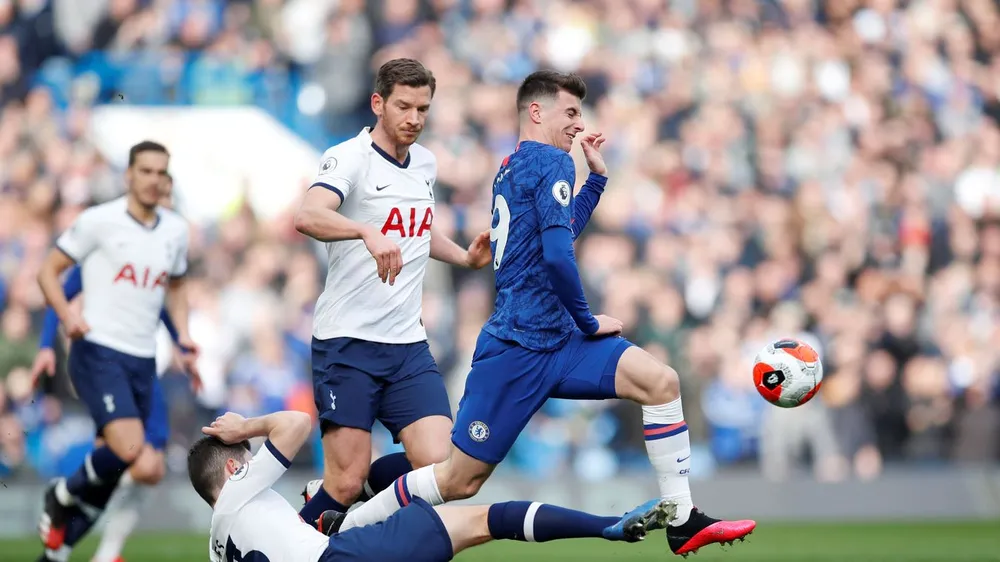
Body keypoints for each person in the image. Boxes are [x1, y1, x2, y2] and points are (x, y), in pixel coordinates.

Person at [334, 70, 757, 557]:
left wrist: (595, 181)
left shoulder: (514, 166)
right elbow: (557, 256)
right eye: (571, 113)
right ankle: (347, 521)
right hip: (517, 347)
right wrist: (589, 321)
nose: (579, 124)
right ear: (537, 112)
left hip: (558, 339)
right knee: (458, 480)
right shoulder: (551, 163)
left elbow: (556, 235)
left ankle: (682, 519)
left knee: (660, 381)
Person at [292, 57, 491, 525]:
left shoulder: (425, 162)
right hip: (348, 342)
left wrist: (463, 256)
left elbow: (414, 231)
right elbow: (307, 215)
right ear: (378, 103)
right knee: (340, 484)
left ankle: (357, 491)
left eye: (423, 109)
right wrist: (364, 231)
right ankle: (278, 550)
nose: (414, 119)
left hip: (406, 344)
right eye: (404, 106)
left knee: (447, 468)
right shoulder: (349, 157)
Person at [189, 410, 674, 562]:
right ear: (234, 469)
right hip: (346, 557)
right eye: (246, 460)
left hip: (341, 543)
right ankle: (608, 527)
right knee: (484, 518)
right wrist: (245, 428)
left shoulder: (220, 545)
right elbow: (294, 423)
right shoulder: (237, 493)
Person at [35, 142, 201, 562]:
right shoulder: (98, 223)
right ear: (128, 175)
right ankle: (64, 495)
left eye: (160, 172)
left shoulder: (174, 232)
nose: (152, 180)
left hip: (143, 362)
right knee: (127, 450)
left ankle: (65, 550)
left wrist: (182, 337)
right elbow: (54, 278)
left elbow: (172, 291)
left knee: (145, 468)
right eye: (144, 171)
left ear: (167, 180)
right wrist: (54, 334)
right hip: (98, 352)